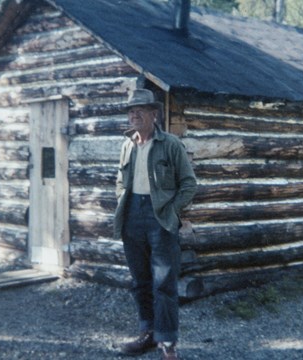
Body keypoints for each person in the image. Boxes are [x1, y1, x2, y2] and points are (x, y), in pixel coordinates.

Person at [114, 89, 197, 360]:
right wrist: (122, 203)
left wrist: (171, 211)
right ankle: (148, 333)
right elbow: (120, 181)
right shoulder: (127, 145)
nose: (134, 114)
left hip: (160, 217)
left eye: (140, 110)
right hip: (131, 217)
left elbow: (189, 184)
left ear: (154, 114)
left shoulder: (170, 144)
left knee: (164, 282)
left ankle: (167, 341)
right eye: (131, 111)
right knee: (140, 281)